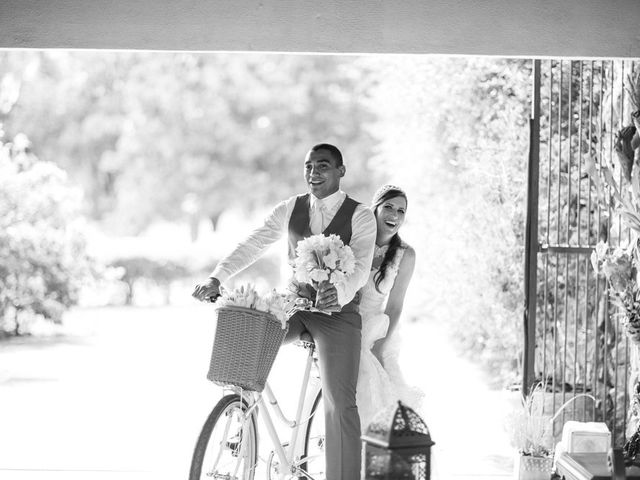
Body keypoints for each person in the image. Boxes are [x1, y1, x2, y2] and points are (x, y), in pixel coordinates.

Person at [192, 143, 376, 480]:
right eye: (308, 166)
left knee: (340, 402)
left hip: (339, 314)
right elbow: (254, 242)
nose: (313, 173)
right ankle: (241, 416)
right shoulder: (291, 207)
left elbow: (361, 265)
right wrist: (217, 276)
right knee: (245, 343)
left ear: (340, 171)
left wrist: (339, 292)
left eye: (322, 166)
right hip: (292, 306)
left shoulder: (361, 215)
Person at [356, 184, 424, 428]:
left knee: (376, 392)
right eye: (388, 207)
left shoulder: (406, 255)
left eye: (401, 211)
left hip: (375, 330)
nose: (394, 215)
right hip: (342, 320)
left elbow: (395, 307)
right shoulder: (355, 241)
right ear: (375, 209)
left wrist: (379, 346)